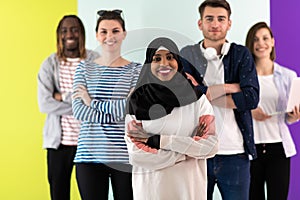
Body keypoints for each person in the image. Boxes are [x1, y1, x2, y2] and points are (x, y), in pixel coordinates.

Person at [180, 0, 260, 199]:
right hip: (196, 152)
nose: (215, 24)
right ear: (200, 23)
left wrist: (202, 92)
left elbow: (251, 98)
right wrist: (230, 87)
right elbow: (184, 97)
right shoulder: (187, 54)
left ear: (229, 23)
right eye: (209, 19)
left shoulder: (241, 54)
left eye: (220, 19)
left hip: (235, 153)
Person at [125, 37, 218, 200]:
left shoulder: (197, 100)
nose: (164, 63)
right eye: (157, 58)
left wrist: (159, 141)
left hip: (189, 190)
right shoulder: (137, 102)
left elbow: (210, 147)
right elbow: (137, 155)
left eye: (170, 57)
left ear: (178, 62)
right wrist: (187, 154)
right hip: (150, 191)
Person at [72, 10, 141, 200]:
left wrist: (91, 101)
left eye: (115, 31)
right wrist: (118, 109)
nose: (109, 36)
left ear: (124, 34)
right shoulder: (84, 68)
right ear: (96, 35)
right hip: (89, 157)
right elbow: (79, 111)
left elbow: (132, 110)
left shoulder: (137, 70)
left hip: (125, 157)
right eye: (104, 31)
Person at [37, 15, 99, 200]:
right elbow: (45, 103)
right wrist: (80, 102)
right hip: (59, 144)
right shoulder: (50, 64)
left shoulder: (96, 60)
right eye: (64, 30)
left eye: (74, 29)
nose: (69, 34)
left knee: (91, 194)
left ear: (81, 33)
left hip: (89, 143)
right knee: (58, 194)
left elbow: (99, 99)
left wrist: (62, 96)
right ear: (59, 35)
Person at [245, 21, 300, 200]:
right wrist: (251, 111)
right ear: (250, 45)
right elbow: (234, 107)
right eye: (256, 40)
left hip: (279, 148)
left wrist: (294, 116)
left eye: (265, 38)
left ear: (273, 41)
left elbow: (290, 117)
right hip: (250, 149)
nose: (261, 43)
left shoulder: (288, 76)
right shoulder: (243, 76)